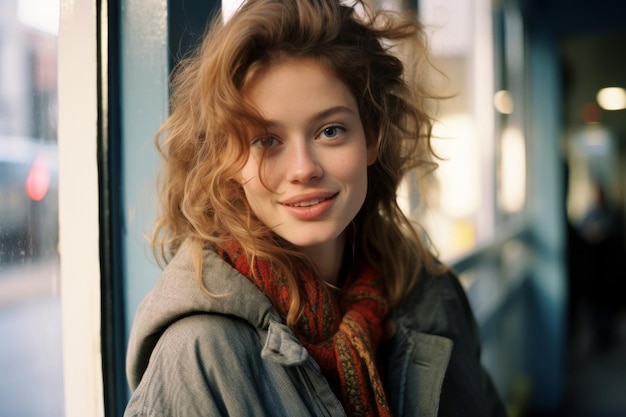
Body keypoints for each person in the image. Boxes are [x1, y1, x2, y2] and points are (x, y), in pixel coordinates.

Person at [124, 1, 508, 416]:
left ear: (371, 138)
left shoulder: (431, 295)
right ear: (228, 161)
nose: (303, 169)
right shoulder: (200, 353)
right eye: (266, 140)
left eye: (330, 131)